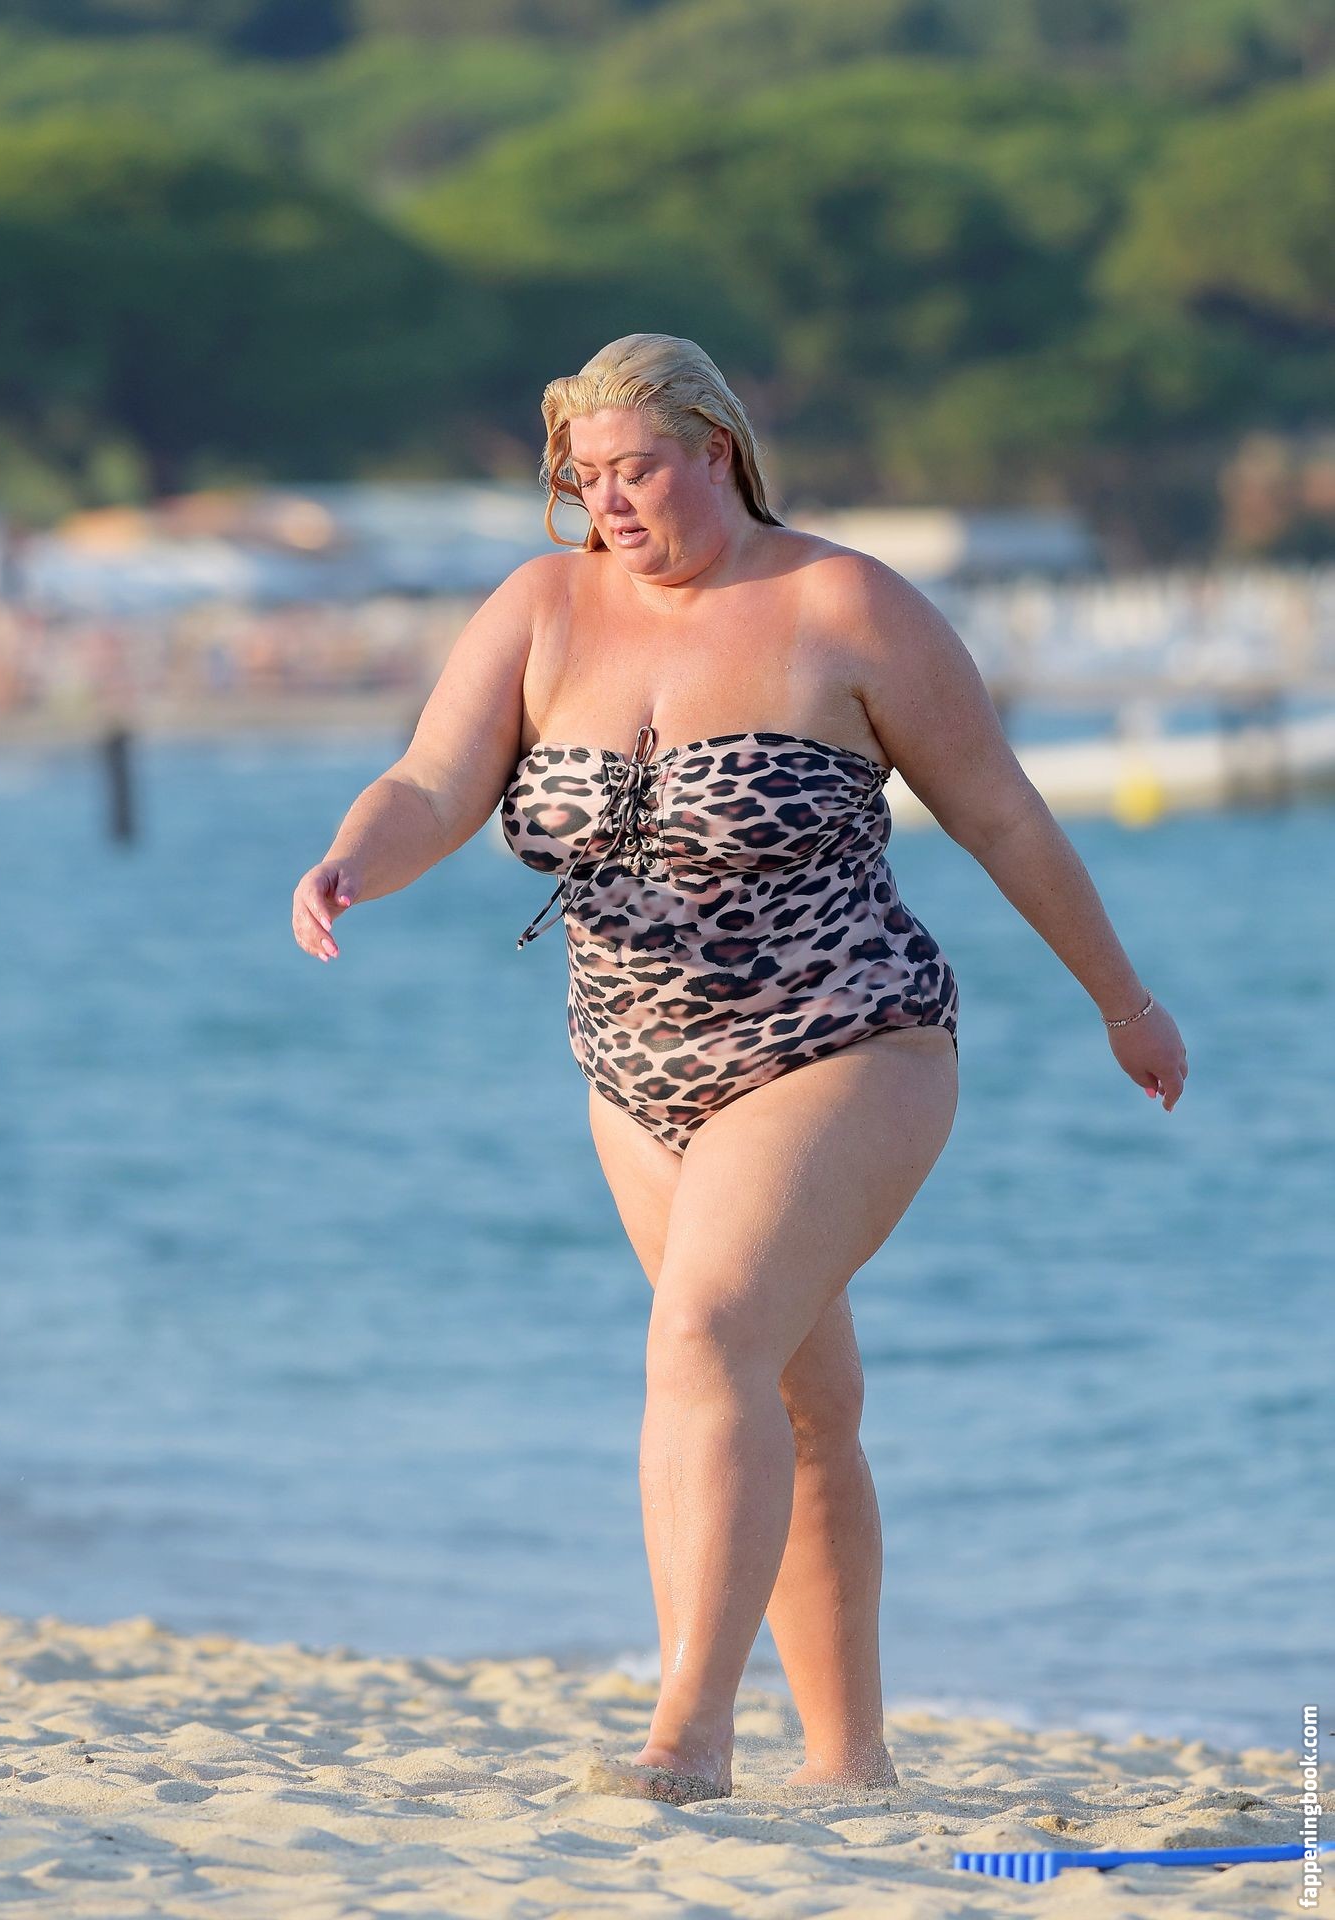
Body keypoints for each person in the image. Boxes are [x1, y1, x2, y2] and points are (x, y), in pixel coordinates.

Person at [291, 333, 1188, 1805]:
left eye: (637, 470)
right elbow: (433, 782)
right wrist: (349, 864)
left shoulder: (846, 605)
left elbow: (1004, 817)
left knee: (702, 1340)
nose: (609, 502)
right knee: (794, 1404)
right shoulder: (540, 608)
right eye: (584, 478)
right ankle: (850, 1768)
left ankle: (688, 1737)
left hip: (845, 1037)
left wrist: (1123, 1003)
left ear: (717, 450)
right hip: (635, 1070)